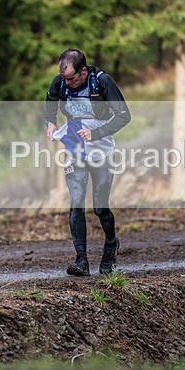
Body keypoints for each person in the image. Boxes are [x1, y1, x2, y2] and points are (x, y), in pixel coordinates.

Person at [45, 48, 131, 276]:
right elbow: (51, 97)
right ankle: (81, 260)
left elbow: (124, 115)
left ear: (83, 72)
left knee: (100, 208)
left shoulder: (102, 82)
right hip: (75, 148)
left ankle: (111, 245)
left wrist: (97, 133)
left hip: (102, 150)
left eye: (72, 78)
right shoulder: (61, 81)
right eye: (64, 78)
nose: (68, 83)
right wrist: (50, 122)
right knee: (76, 202)